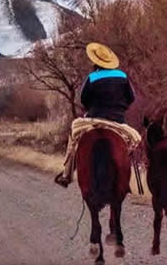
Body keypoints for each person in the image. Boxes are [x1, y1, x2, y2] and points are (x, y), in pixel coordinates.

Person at [54, 43, 143, 187]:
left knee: (74, 133)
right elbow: (131, 97)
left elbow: (83, 99)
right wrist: (120, 108)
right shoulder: (122, 76)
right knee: (134, 141)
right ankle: (129, 178)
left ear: (96, 61)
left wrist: (92, 108)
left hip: (94, 119)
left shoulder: (92, 77)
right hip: (118, 121)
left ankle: (66, 174)